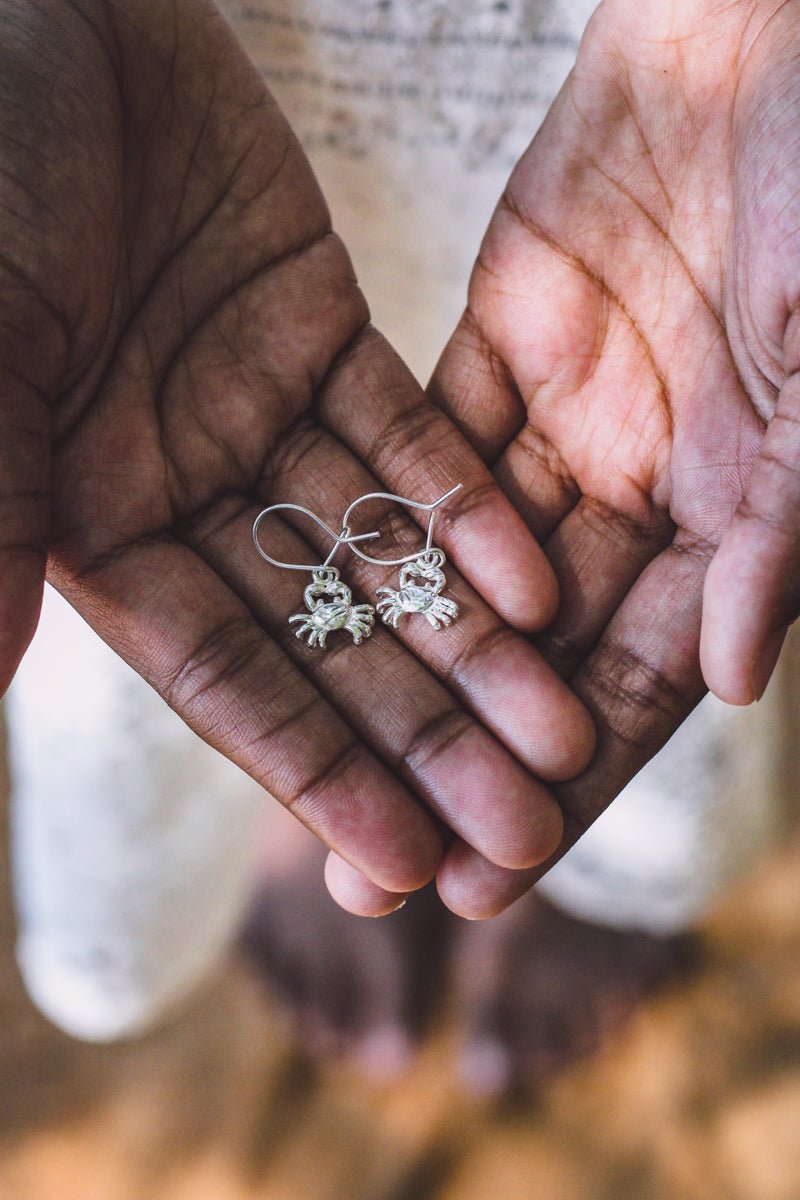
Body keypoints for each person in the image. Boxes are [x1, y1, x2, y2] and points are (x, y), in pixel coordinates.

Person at [2, 0, 797, 1092]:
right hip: (166, 150)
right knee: (170, 550)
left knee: (618, 546)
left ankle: (565, 867)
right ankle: (289, 825)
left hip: (640, 125)